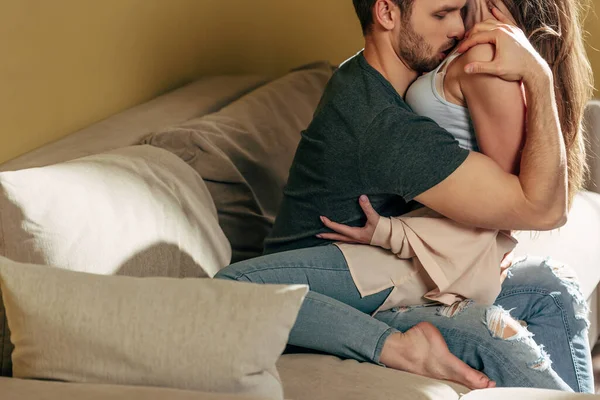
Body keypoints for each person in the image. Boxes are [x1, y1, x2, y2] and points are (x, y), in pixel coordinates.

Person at [216, 0, 594, 392]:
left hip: (393, 272)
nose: (457, 28)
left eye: (460, 11)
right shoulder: (384, 127)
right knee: (494, 332)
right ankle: (399, 347)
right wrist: (539, 75)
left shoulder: (364, 74)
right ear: (386, 13)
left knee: (551, 285)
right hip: (340, 296)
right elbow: (543, 209)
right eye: (441, 14)